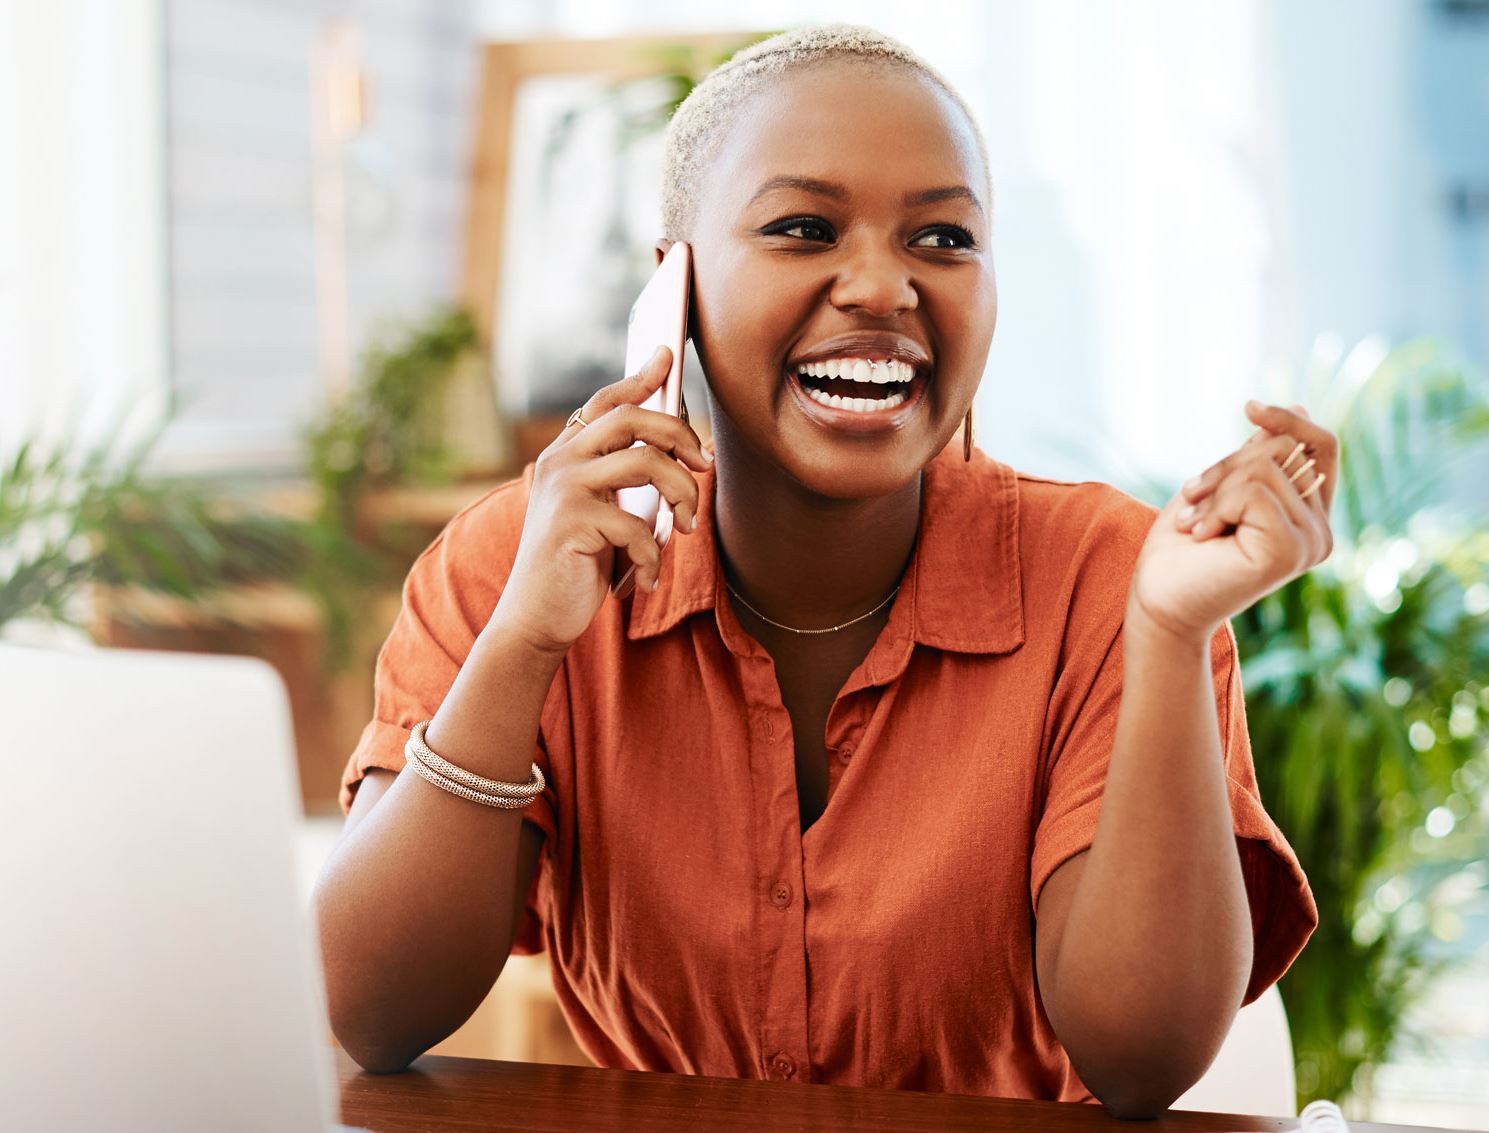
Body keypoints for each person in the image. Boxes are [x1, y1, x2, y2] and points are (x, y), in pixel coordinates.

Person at [314, 25, 1328, 1118]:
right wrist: (521, 643)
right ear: (675, 288)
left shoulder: (1114, 580)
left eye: (942, 238)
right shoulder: (509, 565)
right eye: (803, 227)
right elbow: (374, 1011)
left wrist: (1170, 635)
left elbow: (1142, 1055)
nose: (881, 285)